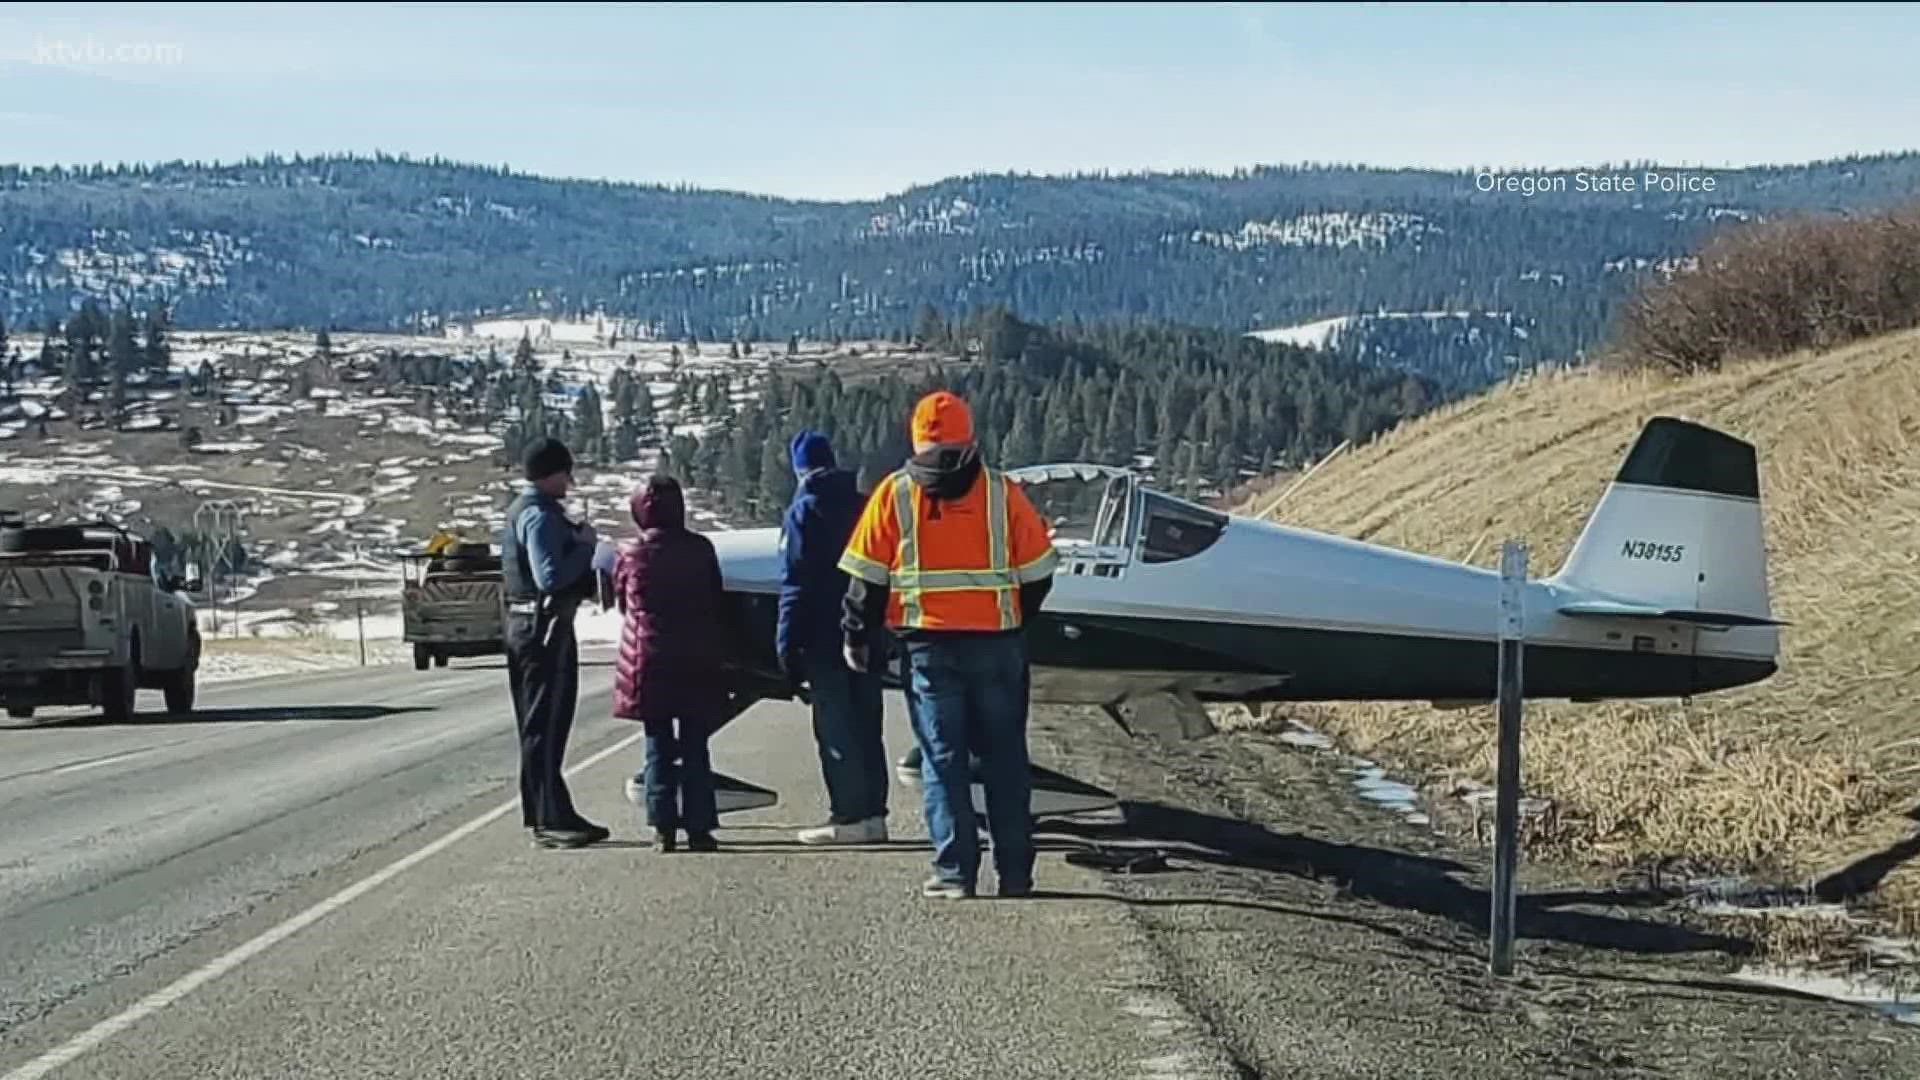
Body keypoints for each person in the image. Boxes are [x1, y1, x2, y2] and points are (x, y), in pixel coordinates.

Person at [838, 391, 1059, 899]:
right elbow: (1040, 573)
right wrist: (1012, 616)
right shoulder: (1003, 494)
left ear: (915, 439)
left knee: (943, 760)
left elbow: (864, 583)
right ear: (971, 437)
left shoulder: (894, 495)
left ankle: (955, 873)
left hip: (928, 650)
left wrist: (857, 639)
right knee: (1005, 759)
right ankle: (1016, 874)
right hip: (998, 647)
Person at [777, 430, 889, 845]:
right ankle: (875, 814)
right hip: (868, 631)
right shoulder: (864, 506)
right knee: (867, 724)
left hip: (824, 636)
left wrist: (786, 645)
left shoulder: (804, 511)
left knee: (836, 728)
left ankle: (849, 815)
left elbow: (796, 584)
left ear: (800, 469)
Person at [501, 437, 609, 849]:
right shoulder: (539, 516)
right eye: (566, 472)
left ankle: (550, 809)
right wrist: (585, 548)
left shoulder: (526, 510)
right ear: (551, 474)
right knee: (545, 724)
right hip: (542, 629)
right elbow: (549, 576)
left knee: (542, 723)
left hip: (530, 625)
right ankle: (549, 818)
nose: (570, 481)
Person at [612, 475, 725, 853]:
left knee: (657, 743)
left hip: (648, 658)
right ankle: (700, 828)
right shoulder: (700, 548)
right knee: (696, 743)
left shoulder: (629, 552)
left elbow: (622, 604)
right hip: (696, 654)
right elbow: (715, 596)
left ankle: (663, 827)